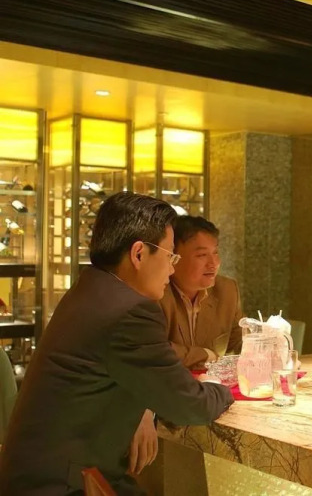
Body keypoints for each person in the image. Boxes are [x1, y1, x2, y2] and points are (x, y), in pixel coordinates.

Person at [0, 192, 234, 495]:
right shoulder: (130, 311)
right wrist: (225, 389)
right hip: (64, 484)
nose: (171, 269)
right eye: (169, 256)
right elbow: (188, 405)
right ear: (138, 254)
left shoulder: (92, 288)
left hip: (44, 473)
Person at [159, 216, 243, 369]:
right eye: (202, 255)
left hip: (209, 382)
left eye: (215, 253)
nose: (213, 264)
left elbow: (240, 342)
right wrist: (204, 355)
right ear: (173, 257)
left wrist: (268, 342)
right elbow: (155, 349)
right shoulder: (157, 292)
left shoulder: (226, 290)